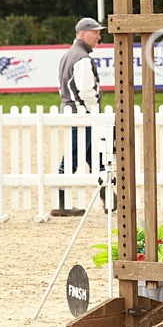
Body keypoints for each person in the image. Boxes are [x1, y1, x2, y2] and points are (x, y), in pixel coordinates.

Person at [53, 17, 105, 216]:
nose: (99, 36)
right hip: (82, 115)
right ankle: (61, 205)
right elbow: (86, 91)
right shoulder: (82, 58)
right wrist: (95, 113)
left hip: (73, 113)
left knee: (96, 157)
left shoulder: (69, 55)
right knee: (73, 158)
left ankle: (109, 198)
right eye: (96, 32)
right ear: (83, 34)